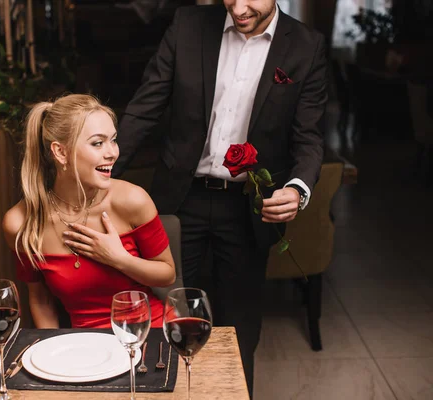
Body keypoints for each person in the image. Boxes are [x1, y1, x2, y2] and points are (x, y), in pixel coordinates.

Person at [113, 0, 327, 396]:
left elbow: (308, 137)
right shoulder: (189, 23)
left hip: (248, 209)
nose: (238, 7)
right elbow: (145, 108)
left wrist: (298, 188)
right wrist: (102, 174)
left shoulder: (305, 46)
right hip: (179, 201)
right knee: (166, 319)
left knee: (238, 330)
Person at [3, 94, 176, 330]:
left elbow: (167, 274)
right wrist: (54, 351)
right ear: (60, 152)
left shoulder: (132, 200)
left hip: (151, 332)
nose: (113, 152)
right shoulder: (21, 223)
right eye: (98, 143)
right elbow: (40, 299)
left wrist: (119, 259)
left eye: (113, 140)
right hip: (85, 348)